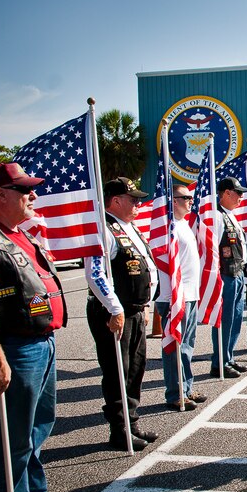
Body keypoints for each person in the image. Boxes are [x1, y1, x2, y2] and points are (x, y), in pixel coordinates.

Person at [0, 163, 73, 492]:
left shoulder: (18, 235)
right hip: (17, 347)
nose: (32, 196)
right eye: (23, 190)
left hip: (42, 341)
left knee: (38, 427)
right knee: (15, 434)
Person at [86, 177, 159, 451]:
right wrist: (115, 308)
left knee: (135, 370)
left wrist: (146, 302)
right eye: (133, 199)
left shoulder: (130, 228)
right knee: (118, 371)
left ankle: (133, 423)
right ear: (115, 201)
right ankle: (120, 431)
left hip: (135, 311)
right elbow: (95, 274)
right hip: (115, 313)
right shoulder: (104, 228)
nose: (138, 203)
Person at [156, 183, 207, 410]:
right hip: (174, 297)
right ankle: (175, 393)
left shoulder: (184, 224)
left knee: (187, 345)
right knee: (174, 347)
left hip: (189, 294)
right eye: (185, 198)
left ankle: (186, 388)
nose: (190, 201)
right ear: (173, 200)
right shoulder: (167, 228)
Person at [212, 177, 247, 377]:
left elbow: (242, 247)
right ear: (226, 193)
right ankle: (220, 362)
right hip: (225, 274)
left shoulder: (231, 216)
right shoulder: (217, 216)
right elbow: (212, 249)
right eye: (238, 192)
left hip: (237, 273)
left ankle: (228, 357)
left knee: (236, 318)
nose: (241, 196)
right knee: (225, 319)